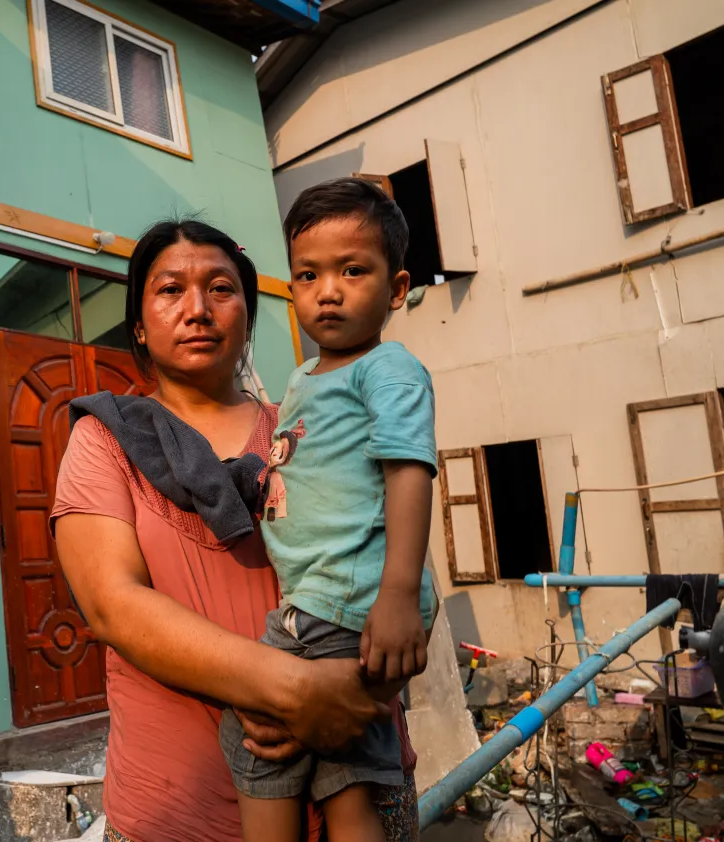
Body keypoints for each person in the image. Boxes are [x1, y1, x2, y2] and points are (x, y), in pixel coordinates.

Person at [50, 219, 432, 842]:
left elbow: (396, 570)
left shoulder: (309, 427)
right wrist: (293, 689)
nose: (197, 309)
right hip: (177, 809)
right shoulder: (105, 440)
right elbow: (112, 605)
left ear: (248, 316)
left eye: (221, 289)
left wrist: (358, 683)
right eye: (170, 290)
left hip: (353, 777)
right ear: (140, 325)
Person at [219, 178, 438, 842]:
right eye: (308, 275)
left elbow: (408, 471)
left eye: (352, 270)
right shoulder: (300, 377)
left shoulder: (388, 367)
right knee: (284, 748)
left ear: (396, 289)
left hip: (354, 598)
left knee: (338, 776)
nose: (328, 290)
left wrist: (398, 593)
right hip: (312, 599)